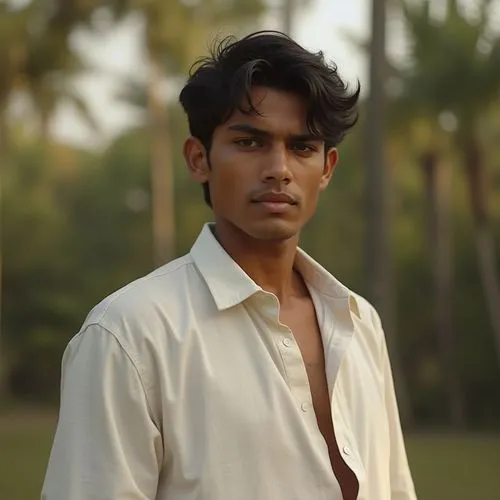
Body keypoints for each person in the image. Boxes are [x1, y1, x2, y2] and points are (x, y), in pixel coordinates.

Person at [42, 31, 417, 500]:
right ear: (199, 159)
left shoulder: (359, 323)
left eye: (302, 147)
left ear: (326, 168)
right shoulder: (129, 336)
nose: (279, 168)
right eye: (250, 142)